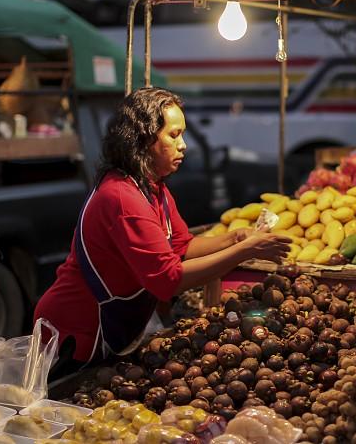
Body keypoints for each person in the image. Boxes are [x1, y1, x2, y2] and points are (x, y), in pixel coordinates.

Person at [35, 88, 291, 375]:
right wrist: (243, 252)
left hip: (108, 328)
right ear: (143, 139)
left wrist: (235, 238)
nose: (183, 145)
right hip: (72, 331)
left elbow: (182, 246)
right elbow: (167, 281)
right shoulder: (122, 198)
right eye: (173, 135)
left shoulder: (153, 188)